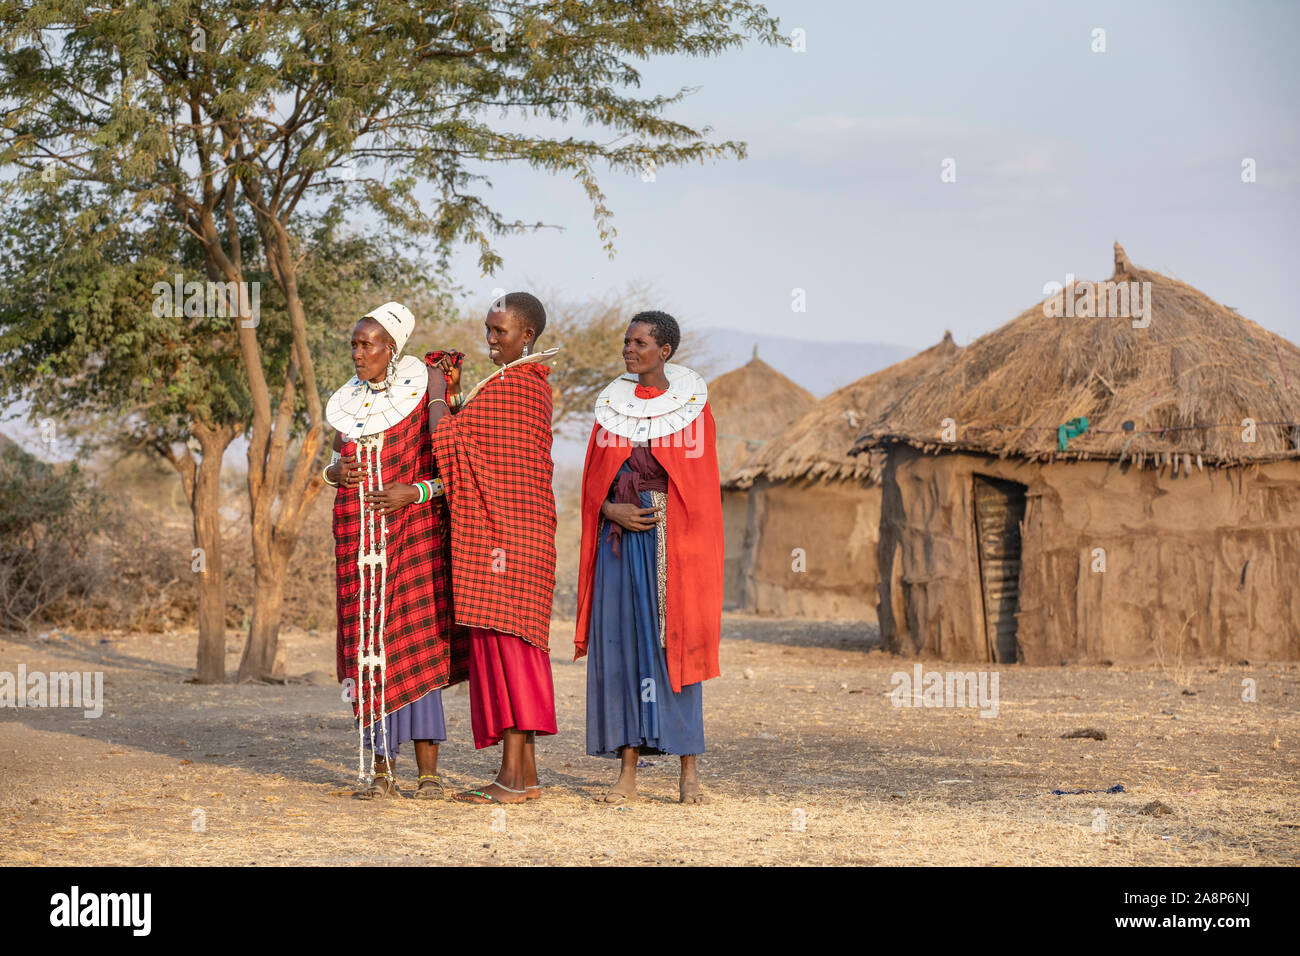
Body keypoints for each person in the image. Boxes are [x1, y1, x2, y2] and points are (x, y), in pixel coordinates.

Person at [575, 310, 724, 804]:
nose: (629, 349)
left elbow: (700, 493)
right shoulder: (610, 409)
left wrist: (664, 519)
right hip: (619, 541)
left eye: (640, 343)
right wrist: (610, 510)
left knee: (672, 647)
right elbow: (594, 483)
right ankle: (627, 775)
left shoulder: (694, 412)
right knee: (623, 647)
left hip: (671, 544)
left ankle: (689, 775)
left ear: (665, 351)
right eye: (626, 341)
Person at [325, 301, 466, 800]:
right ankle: (380, 771)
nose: (358, 353)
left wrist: (414, 492)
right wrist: (333, 473)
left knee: (419, 642)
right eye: (355, 344)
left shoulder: (426, 399)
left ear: (392, 349)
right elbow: (337, 466)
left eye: (368, 345)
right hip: (357, 542)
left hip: (415, 539)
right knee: (370, 652)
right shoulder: (347, 405)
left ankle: (429, 774)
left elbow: (455, 474)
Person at [426, 292, 559, 805]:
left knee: (510, 651)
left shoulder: (516, 388)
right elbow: (475, 446)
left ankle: (510, 777)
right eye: (487, 329)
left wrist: (438, 392)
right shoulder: (519, 386)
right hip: (513, 537)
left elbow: (449, 444)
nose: (489, 339)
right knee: (509, 650)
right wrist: (459, 400)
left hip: (508, 539)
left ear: (527, 335)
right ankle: (523, 778)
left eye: (499, 332)